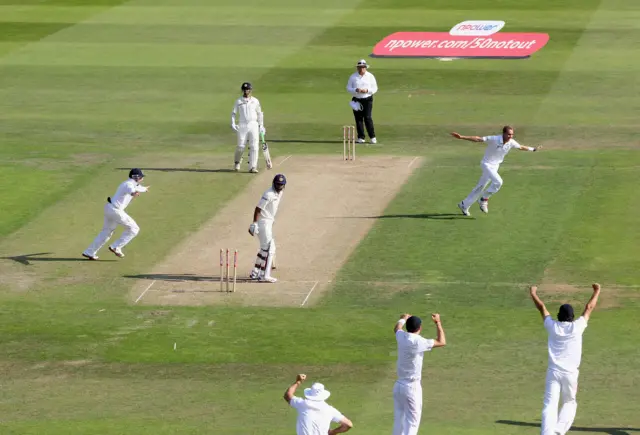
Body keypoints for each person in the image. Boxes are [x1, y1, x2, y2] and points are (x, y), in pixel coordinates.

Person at [529, 283, 601, 435]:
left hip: (553, 372)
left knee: (550, 404)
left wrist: (533, 293)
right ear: (572, 317)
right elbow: (589, 308)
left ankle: (547, 433)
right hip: (570, 374)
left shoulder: (552, 326)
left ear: (559, 316)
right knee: (569, 402)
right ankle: (558, 431)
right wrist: (597, 291)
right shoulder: (577, 327)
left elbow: (542, 307)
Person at [450, 126, 542, 216]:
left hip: (495, 166)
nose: (510, 136)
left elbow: (521, 147)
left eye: (512, 134)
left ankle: (464, 205)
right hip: (486, 164)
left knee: (480, 186)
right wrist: (462, 137)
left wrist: (533, 149)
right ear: (504, 133)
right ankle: (484, 199)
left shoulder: (511, 142)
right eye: (509, 134)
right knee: (498, 182)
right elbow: (478, 139)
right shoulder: (494, 139)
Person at [393, 312, 446, 435]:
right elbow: (442, 341)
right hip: (412, 388)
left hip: (398, 386)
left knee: (399, 422)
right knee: (412, 423)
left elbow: (397, 329)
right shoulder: (419, 342)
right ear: (420, 328)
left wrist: (402, 319)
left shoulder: (401, 337)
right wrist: (438, 322)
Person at [82, 168, 149, 260]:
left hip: (110, 208)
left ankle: (89, 252)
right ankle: (116, 247)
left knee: (106, 232)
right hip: (116, 211)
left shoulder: (132, 184)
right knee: (134, 229)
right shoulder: (128, 184)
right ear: (136, 177)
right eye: (141, 177)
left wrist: (145, 189)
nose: (142, 178)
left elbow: (138, 188)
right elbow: (131, 190)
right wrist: (134, 193)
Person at [283, 373, 353, 435]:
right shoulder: (330, 410)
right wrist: (332, 432)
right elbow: (348, 424)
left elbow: (288, 395)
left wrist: (298, 382)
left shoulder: (302, 404)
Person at [248, 173, 286, 282]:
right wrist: (254, 223)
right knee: (270, 248)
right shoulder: (268, 194)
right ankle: (265, 275)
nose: (279, 187)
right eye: (278, 184)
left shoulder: (280, 192)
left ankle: (255, 272)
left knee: (264, 249)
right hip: (263, 223)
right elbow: (258, 208)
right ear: (274, 184)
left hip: (268, 222)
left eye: (281, 185)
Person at [231, 82, 266, 173]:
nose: (246, 91)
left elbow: (259, 113)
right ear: (243, 90)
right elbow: (233, 113)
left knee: (254, 146)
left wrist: (261, 125)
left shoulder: (255, 101)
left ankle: (252, 167)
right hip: (242, 125)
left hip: (253, 124)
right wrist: (233, 123)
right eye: (245, 89)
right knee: (240, 146)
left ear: (250, 90)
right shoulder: (238, 101)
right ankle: (237, 162)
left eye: (248, 89)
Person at [346, 59, 378, 144]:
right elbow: (348, 88)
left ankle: (372, 137)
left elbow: (375, 88)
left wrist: (367, 90)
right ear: (357, 68)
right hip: (356, 100)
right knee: (358, 119)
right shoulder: (353, 77)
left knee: (367, 117)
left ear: (365, 68)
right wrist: (356, 90)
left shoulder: (370, 76)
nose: (361, 69)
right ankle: (361, 137)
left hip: (367, 99)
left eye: (363, 67)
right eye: (360, 68)